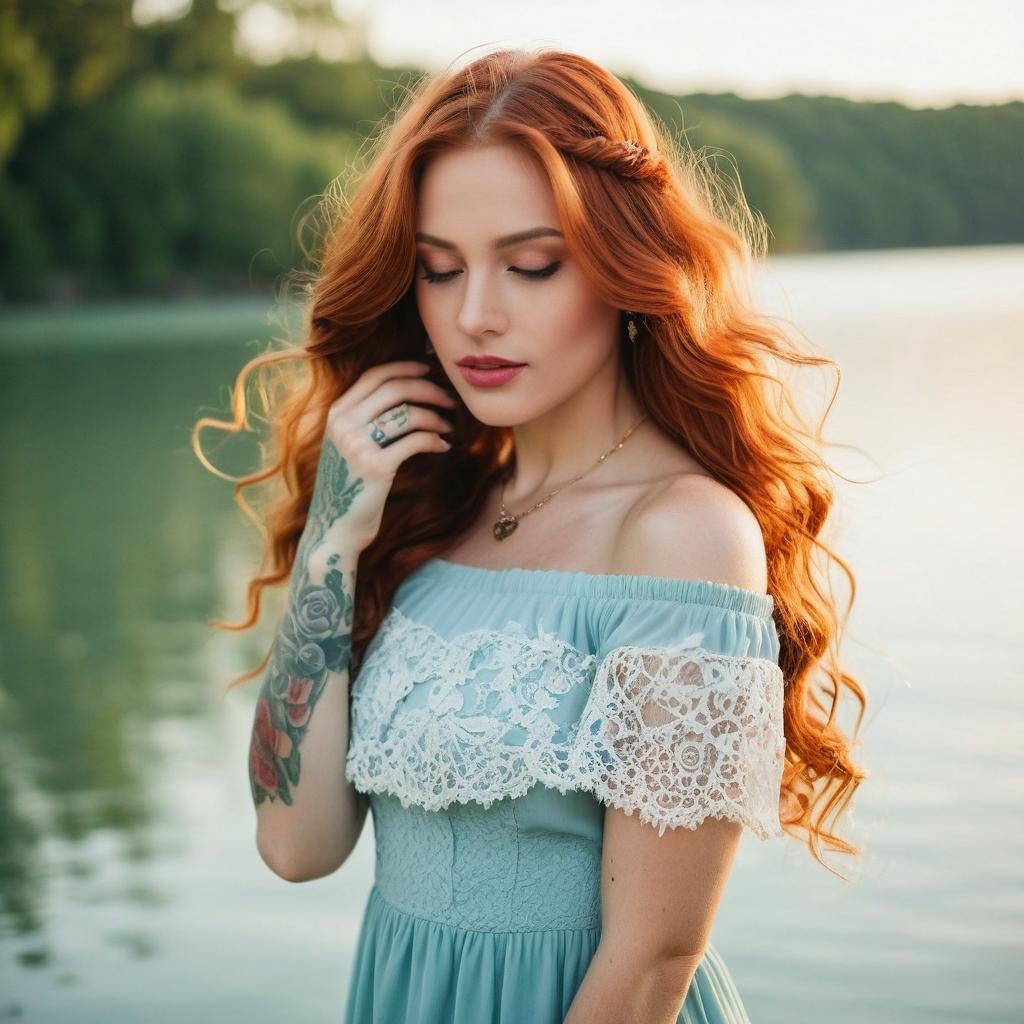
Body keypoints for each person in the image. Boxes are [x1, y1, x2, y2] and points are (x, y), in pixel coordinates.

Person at [196, 46, 868, 1024]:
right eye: (438, 268)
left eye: (532, 264)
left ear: (624, 267)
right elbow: (294, 848)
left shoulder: (679, 535)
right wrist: (333, 540)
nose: (474, 315)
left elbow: (651, 958)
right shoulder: (431, 516)